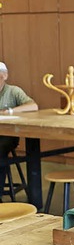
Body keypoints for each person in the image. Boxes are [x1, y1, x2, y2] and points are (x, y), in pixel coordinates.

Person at [0, 62, 38, 192]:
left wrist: (9, 111)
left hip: (8, 136)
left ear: (4, 77)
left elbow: (33, 106)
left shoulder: (13, 91)